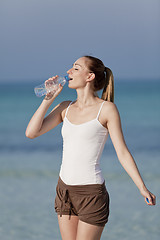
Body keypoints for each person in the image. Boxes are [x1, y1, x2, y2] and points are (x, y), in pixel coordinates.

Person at [25, 55, 156, 240]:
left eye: (76, 68)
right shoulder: (65, 107)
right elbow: (31, 133)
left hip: (91, 193)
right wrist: (48, 99)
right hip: (64, 190)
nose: (69, 71)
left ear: (90, 76)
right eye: (71, 67)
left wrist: (142, 187)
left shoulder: (107, 109)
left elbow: (122, 152)